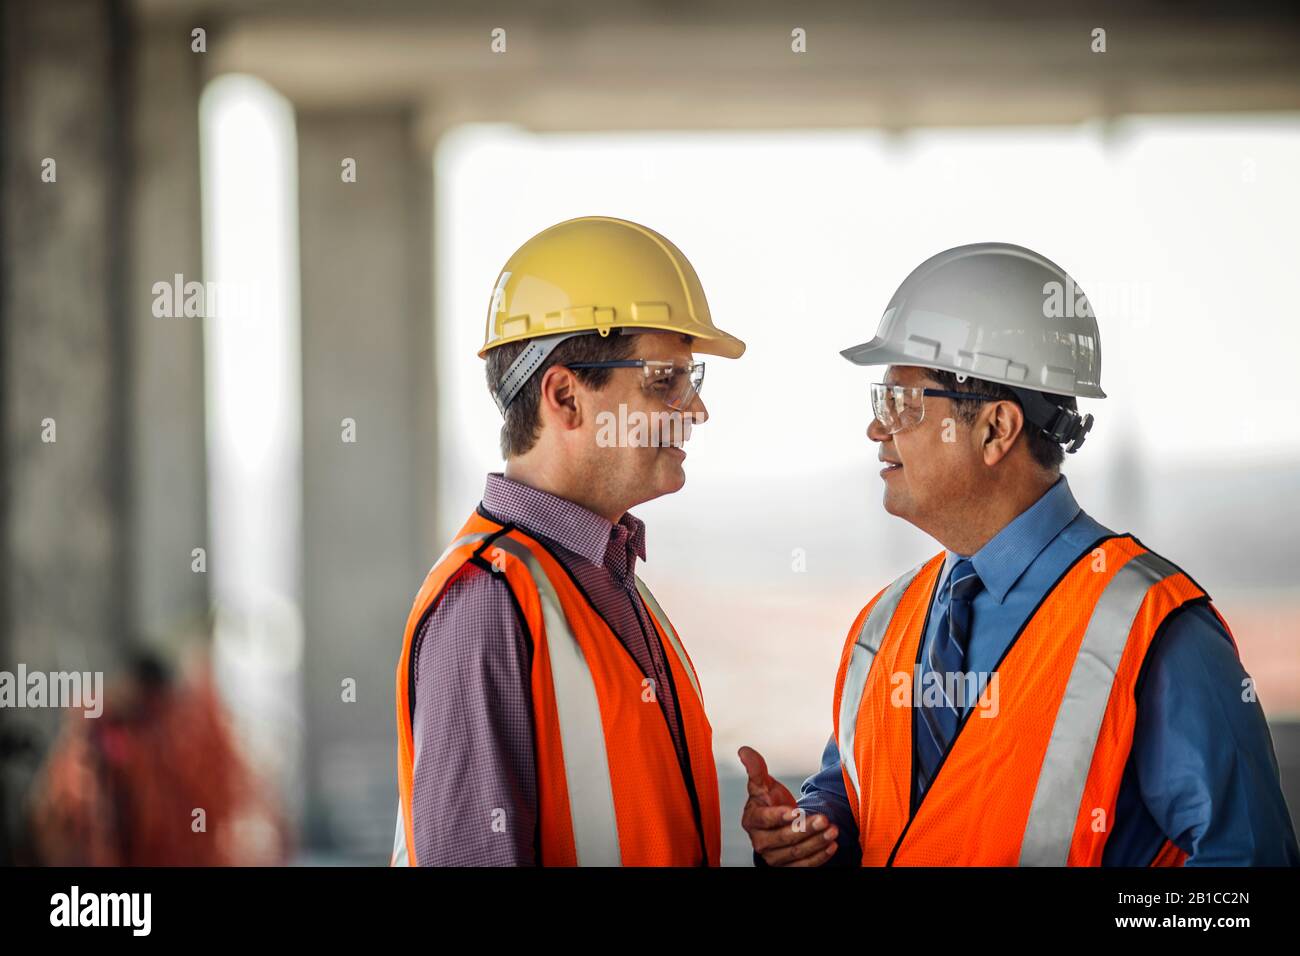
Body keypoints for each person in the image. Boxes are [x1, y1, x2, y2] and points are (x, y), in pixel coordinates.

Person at [741, 242, 1299, 866]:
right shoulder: (886, 623)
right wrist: (808, 837)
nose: (878, 429)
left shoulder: (1152, 630)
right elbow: (864, 802)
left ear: (995, 428)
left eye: (899, 402)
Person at [392, 216, 745, 865]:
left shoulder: (608, 577)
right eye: (666, 381)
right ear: (566, 397)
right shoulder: (486, 603)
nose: (696, 411)